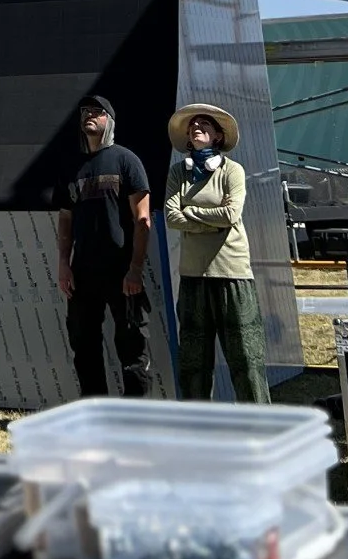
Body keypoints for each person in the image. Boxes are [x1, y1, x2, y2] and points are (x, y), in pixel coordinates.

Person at [164, 102, 270, 404]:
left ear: (218, 137)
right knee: (194, 361)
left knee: (246, 358)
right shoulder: (177, 173)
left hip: (232, 275)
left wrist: (192, 212)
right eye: (193, 125)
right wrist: (209, 219)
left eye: (204, 125)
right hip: (193, 276)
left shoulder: (232, 170)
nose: (197, 128)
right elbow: (171, 217)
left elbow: (230, 214)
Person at [57, 94, 154, 397]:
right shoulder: (71, 165)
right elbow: (65, 221)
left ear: (109, 121)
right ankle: (95, 411)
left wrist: (135, 269)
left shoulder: (127, 160)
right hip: (82, 271)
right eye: (85, 111)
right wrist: (63, 263)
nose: (89, 115)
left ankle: (134, 415)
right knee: (83, 344)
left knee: (131, 344)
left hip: (122, 271)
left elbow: (143, 219)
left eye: (96, 112)